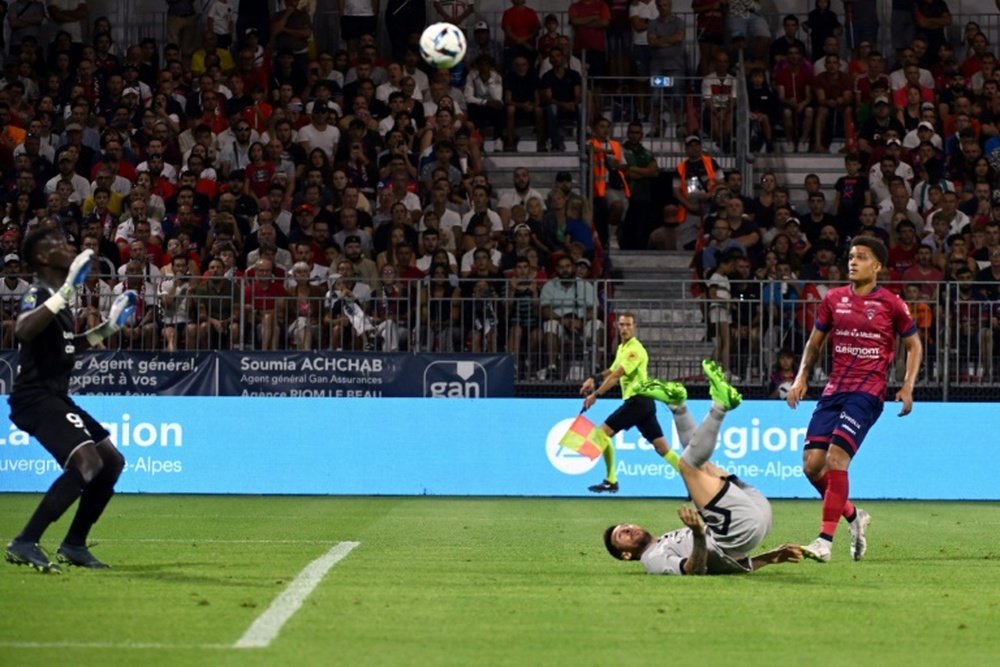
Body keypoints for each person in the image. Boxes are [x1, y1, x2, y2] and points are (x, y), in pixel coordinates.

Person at [5, 228, 137, 572]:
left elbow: (67, 345)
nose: (69, 247)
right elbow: (22, 330)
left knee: (111, 461)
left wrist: (107, 328)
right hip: (33, 398)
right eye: (59, 245)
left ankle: (74, 544)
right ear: (42, 257)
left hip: (56, 397)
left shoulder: (59, 300)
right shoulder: (39, 293)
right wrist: (64, 293)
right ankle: (25, 541)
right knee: (87, 463)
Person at [786, 237, 922, 563]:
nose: (853, 261)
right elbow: (814, 343)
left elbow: (913, 345)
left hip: (868, 392)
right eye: (851, 256)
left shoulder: (891, 304)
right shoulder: (833, 299)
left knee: (836, 460)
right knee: (811, 466)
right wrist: (801, 377)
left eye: (861, 257)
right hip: (834, 390)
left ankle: (824, 540)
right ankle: (854, 516)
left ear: (877, 266)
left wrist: (907, 386)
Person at [604, 360, 804, 574]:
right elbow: (693, 570)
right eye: (621, 535)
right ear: (626, 555)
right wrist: (699, 533)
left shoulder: (665, 539)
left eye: (625, 526)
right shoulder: (652, 559)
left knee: (699, 465)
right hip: (740, 526)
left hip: (752, 515)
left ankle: (677, 406)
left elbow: (720, 564)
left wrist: (770, 557)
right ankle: (717, 407)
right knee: (688, 466)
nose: (628, 528)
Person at [578, 312, 687, 493]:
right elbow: (612, 369)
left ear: (635, 327)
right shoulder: (622, 347)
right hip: (644, 405)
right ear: (617, 327)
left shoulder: (635, 350)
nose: (624, 328)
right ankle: (693, 482)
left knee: (601, 434)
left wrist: (595, 394)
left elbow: (616, 375)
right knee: (662, 448)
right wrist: (593, 377)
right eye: (621, 325)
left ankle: (611, 480)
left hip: (638, 402)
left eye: (628, 325)